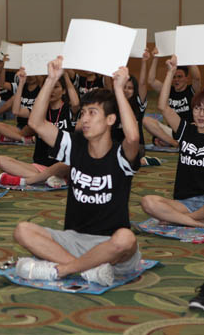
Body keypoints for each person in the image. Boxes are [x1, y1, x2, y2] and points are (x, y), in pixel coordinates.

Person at [12, 57, 141, 286]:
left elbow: (133, 137)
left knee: (126, 238)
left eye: (92, 113)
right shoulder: (75, 146)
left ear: (110, 119)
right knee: (23, 230)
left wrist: (119, 90)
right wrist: (51, 79)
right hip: (73, 240)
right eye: (82, 113)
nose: (85, 119)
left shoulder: (120, 155)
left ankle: (65, 269)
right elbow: (37, 122)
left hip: (110, 245)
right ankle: (87, 271)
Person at [141, 52, 204, 229]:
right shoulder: (185, 129)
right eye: (197, 109)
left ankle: (182, 219)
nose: (201, 114)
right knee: (148, 202)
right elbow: (163, 106)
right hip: (182, 203)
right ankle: (198, 222)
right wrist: (170, 72)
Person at [0, 67, 79, 187]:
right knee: (1, 160)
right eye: (50, 87)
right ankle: (49, 179)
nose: (52, 91)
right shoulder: (39, 112)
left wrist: (65, 75)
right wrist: (21, 84)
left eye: (56, 87)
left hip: (63, 166)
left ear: (64, 91)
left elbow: (76, 103)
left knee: (64, 165)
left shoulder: (69, 110)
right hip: (40, 166)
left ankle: (30, 180)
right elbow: (16, 111)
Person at [142, 48, 201, 148]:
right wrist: (156, 58)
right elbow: (151, 81)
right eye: (174, 77)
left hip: (189, 130)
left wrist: (188, 57)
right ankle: (174, 143)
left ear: (186, 78)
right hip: (173, 132)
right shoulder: (168, 90)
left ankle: (167, 141)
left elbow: (197, 77)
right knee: (146, 120)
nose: (176, 80)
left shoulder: (192, 90)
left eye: (180, 77)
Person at [0, 68, 40, 144]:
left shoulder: (42, 89)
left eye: (33, 74)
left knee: (31, 125)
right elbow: (2, 84)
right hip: (20, 127)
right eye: (28, 74)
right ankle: (22, 139)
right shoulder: (21, 85)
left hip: (33, 126)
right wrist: (4, 68)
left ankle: (12, 137)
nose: (30, 77)